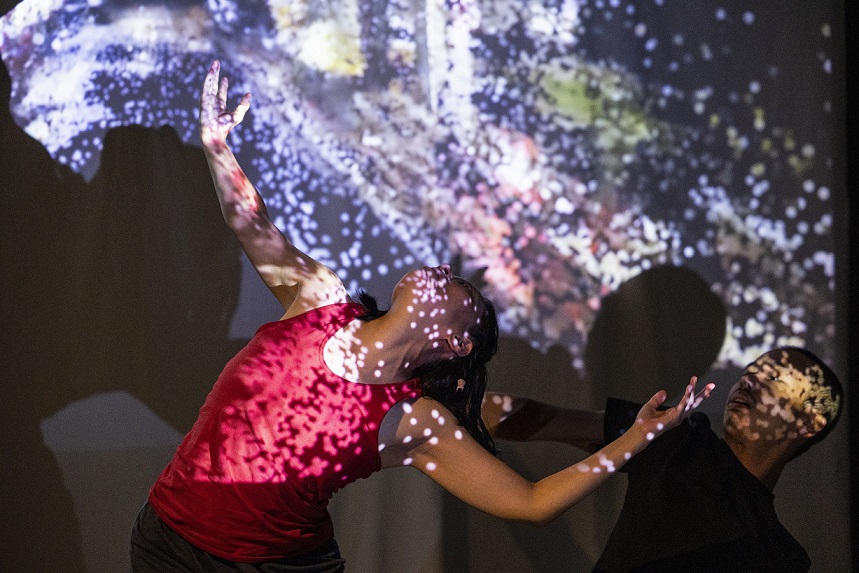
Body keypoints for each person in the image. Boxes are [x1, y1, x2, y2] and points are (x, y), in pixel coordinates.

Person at [129, 60, 711, 572]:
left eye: (462, 288)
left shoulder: (414, 421)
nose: (445, 268)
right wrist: (217, 146)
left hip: (275, 566)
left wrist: (635, 438)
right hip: (168, 539)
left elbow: (530, 503)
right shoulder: (320, 301)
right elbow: (249, 222)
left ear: (458, 342)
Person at [483, 346, 843, 572]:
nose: (748, 382)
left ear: (810, 422)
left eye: (774, 379)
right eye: (750, 371)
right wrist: (456, 407)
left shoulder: (781, 557)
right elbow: (540, 419)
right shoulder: (679, 436)